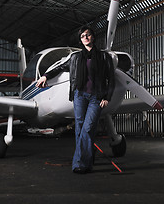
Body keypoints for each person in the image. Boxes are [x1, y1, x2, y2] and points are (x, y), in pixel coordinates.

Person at [36, 26, 115, 174]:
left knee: (88, 127)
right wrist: (46, 76)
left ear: (93, 37)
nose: (85, 37)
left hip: (96, 97)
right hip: (79, 96)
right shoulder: (75, 58)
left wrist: (107, 97)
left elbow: (111, 79)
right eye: (83, 36)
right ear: (81, 40)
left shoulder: (105, 57)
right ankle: (88, 160)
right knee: (80, 128)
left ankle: (78, 164)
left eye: (88, 35)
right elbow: (59, 68)